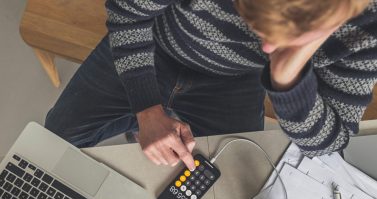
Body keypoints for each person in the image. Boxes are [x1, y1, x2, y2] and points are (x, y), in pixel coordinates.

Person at [45, 0, 377, 171]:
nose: (262, 47)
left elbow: (329, 146)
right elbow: (128, 12)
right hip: (155, 41)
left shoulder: (367, 26)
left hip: (237, 83)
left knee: (227, 190)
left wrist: (288, 79)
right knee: (47, 146)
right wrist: (147, 109)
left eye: (273, 41)